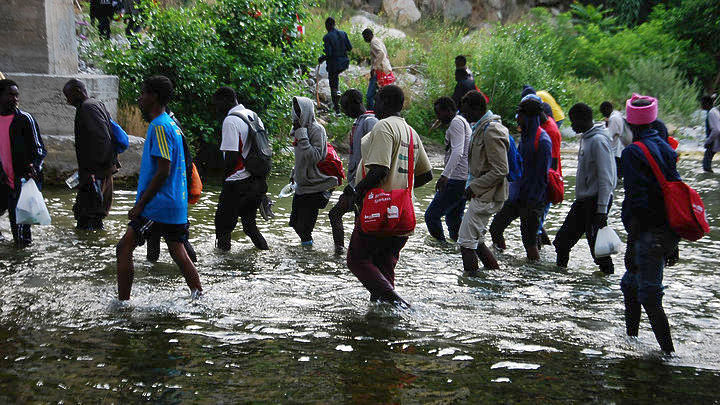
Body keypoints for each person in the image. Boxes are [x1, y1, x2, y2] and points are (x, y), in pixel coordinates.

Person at [115, 75, 202, 300]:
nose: (139, 98)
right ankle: (198, 296)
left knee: (124, 248)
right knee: (178, 252)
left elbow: (163, 170)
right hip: (173, 204)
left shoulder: (160, 127)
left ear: (154, 96)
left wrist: (140, 205)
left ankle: (123, 303)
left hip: (157, 206)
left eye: (143, 93)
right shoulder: (171, 124)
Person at [347, 85, 433, 305]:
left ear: (385, 101)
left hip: (380, 210)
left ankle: (399, 304)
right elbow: (426, 174)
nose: (373, 104)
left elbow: (379, 170)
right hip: (403, 211)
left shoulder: (384, 127)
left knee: (357, 259)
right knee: (384, 264)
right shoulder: (411, 131)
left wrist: (357, 193)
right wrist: (402, 188)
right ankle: (384, 322)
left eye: (376, 99)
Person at [620, 94, 681, 354]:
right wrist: (674, 241)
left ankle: (668, 354)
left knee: (649, 295)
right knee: (630, 285)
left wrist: (631, 244)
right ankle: (631, 342)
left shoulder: (633, 153)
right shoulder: (666, 148)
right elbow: (674, 191)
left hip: (646, 233)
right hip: (666, 231)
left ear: (629, 122)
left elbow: (637, 201)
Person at [553, 103, 616, 275]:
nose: (572, 125)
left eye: (573, 121)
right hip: (583, 200)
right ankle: (560, 275)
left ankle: (607, 281)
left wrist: (602, 210)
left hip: (596, 201)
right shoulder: (587, 138)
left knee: (599, 250)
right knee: (561, 242)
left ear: (583, 119)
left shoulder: (598, 140)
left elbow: (607, 178)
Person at [489, 95, 551, 261]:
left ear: (529, 116)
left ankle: (533, 273)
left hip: (532, 200)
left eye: (520, 115)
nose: (518, 118)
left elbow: (541, 177)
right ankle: (499, 259)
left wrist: (531, 202)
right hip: (515, 196)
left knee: (529, 243)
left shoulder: (543, 141)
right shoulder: (525, 136)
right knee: (495, 229)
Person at [457, 91, 509, 274]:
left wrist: (474, 187)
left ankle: (472, 284)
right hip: (484, 194)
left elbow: (501, 169)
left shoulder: (491, 129)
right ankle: (493, 276)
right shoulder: (481, 127)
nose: (465, 115)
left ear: (477, 108)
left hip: (488, 195)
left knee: (466, 242)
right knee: (476, 241)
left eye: (467, 111)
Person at [213, 86, 269, 251]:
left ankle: (222, 268)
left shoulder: (230, 120)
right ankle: (265, 252)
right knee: (250, 227)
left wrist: (223, 181)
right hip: (257, 181)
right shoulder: (253, 115)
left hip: (237, 182)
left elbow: (231, 157)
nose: (217, 109)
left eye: (217, 104)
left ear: (226, 101)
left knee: (222, 228)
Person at [146, 107, 198, 263]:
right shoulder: (173, 125)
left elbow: (170, 167)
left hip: (165, 194)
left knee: (175, 241)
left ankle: (152, 274)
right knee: (175, 240)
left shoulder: (164, 126)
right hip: (172, 195)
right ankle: (195, 272)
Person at [329, 89, 378, 255]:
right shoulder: (359, 121)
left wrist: (357, 184)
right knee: (359, 220)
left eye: (345, 106)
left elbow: (373, 155)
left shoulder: (370, 122)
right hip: (356, 182)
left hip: (361, 183)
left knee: (335, 214)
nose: (343, 110)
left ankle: (341, 253)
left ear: (356, 103)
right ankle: (355, 253)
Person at [63, 79, 115, 230]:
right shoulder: (96, 104)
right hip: (97, 172)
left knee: (89, 216)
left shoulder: (87, 108)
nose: (67, 101)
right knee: (89, 214)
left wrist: (94, 174)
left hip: (95, 174)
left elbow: (102, 139)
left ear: (78, 92)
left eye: (68, 96)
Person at [0, 79, 47, 247]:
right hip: (2, 180)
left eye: (16, 95)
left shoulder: (25, 119)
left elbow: (40, 149)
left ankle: (22, 259)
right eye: (10, 95)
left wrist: (35, 166)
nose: (15, 99)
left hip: (22, 180)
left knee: (20, 228)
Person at [289, 96, 338, 246]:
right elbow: (300, 158)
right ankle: (307, 252)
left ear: (307, 110)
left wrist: (302, 135)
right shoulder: (297, 130)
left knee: (304, 228)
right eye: (295, 109)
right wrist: (293, 174)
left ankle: (308, 258)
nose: (297, 113)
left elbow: (315, 157)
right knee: (295, 224)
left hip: (314, 186)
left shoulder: (317, 130)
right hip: (302, 185)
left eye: (299, 110)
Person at [424, 97, 471, 242]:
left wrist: (445, 176)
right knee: (454, 221)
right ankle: (460, 250)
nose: (438, 117)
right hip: (463, 179)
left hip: (455, 179)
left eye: (440, 113)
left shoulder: (456, 122)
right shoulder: (461, 121)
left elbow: (458, 151)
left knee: (431, 216)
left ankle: (442, 247)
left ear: (449, 110)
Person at [536, 108, 562, 247]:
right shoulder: (547, 124)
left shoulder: (550, 131)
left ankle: (535, 262)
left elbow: (553, 162)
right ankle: (545, 251)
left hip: (547, 183)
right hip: (544, 182)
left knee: (535, 228)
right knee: (537, 224)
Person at [319, 17, 352, 112]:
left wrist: (321, 58)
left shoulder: (327, 37)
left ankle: (337, 108)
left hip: (334, 64)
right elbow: (349, 48)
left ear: (328, 25)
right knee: (336, 80)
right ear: (334, 24)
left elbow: (328, 54)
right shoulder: (343, 33)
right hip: (344, 63)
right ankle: (339, 95)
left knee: (333, 84)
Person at [362, 28, 392, 110]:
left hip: (379, 71)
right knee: (381, 94)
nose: (364, 39)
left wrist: (374, 68)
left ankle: (370, 112)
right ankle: (381, 111)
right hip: (385, 69)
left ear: (368, 35)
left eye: (364, 37)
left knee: (369, 95)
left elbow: (381, 53)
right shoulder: (378, 40)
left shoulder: (373, 42)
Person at [600, 101, 625, 179]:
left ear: (608, 109)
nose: (603, 114)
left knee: (616, 174)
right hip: (621, 146)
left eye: (603, 112)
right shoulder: (617, 114)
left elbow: (610, 135)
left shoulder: (613, 118)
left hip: (616, 150)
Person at [701, 95, 719, 173]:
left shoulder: (711, 113)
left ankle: (708, 178)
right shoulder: (714, 111)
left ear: (707, 104)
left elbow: (716, 130)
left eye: (702, 103)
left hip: (713, 141)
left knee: (706, 165)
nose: (701, 105)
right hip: (715, 140)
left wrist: (708, 141)